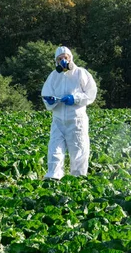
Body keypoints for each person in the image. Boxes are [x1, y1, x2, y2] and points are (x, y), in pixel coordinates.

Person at [41, 46, 97, 180]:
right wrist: (51, 101)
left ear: (70, 58)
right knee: (55, 150)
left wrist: (75, 99)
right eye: (59, 59)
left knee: (78, 151)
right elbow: (46, 94)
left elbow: (91, 94)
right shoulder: (54, 76)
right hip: (58, 121)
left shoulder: (81, 73)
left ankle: (78, 180)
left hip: (76, 121)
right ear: (56, 61)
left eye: (65, 58)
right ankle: (53, 179)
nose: (63, 61)